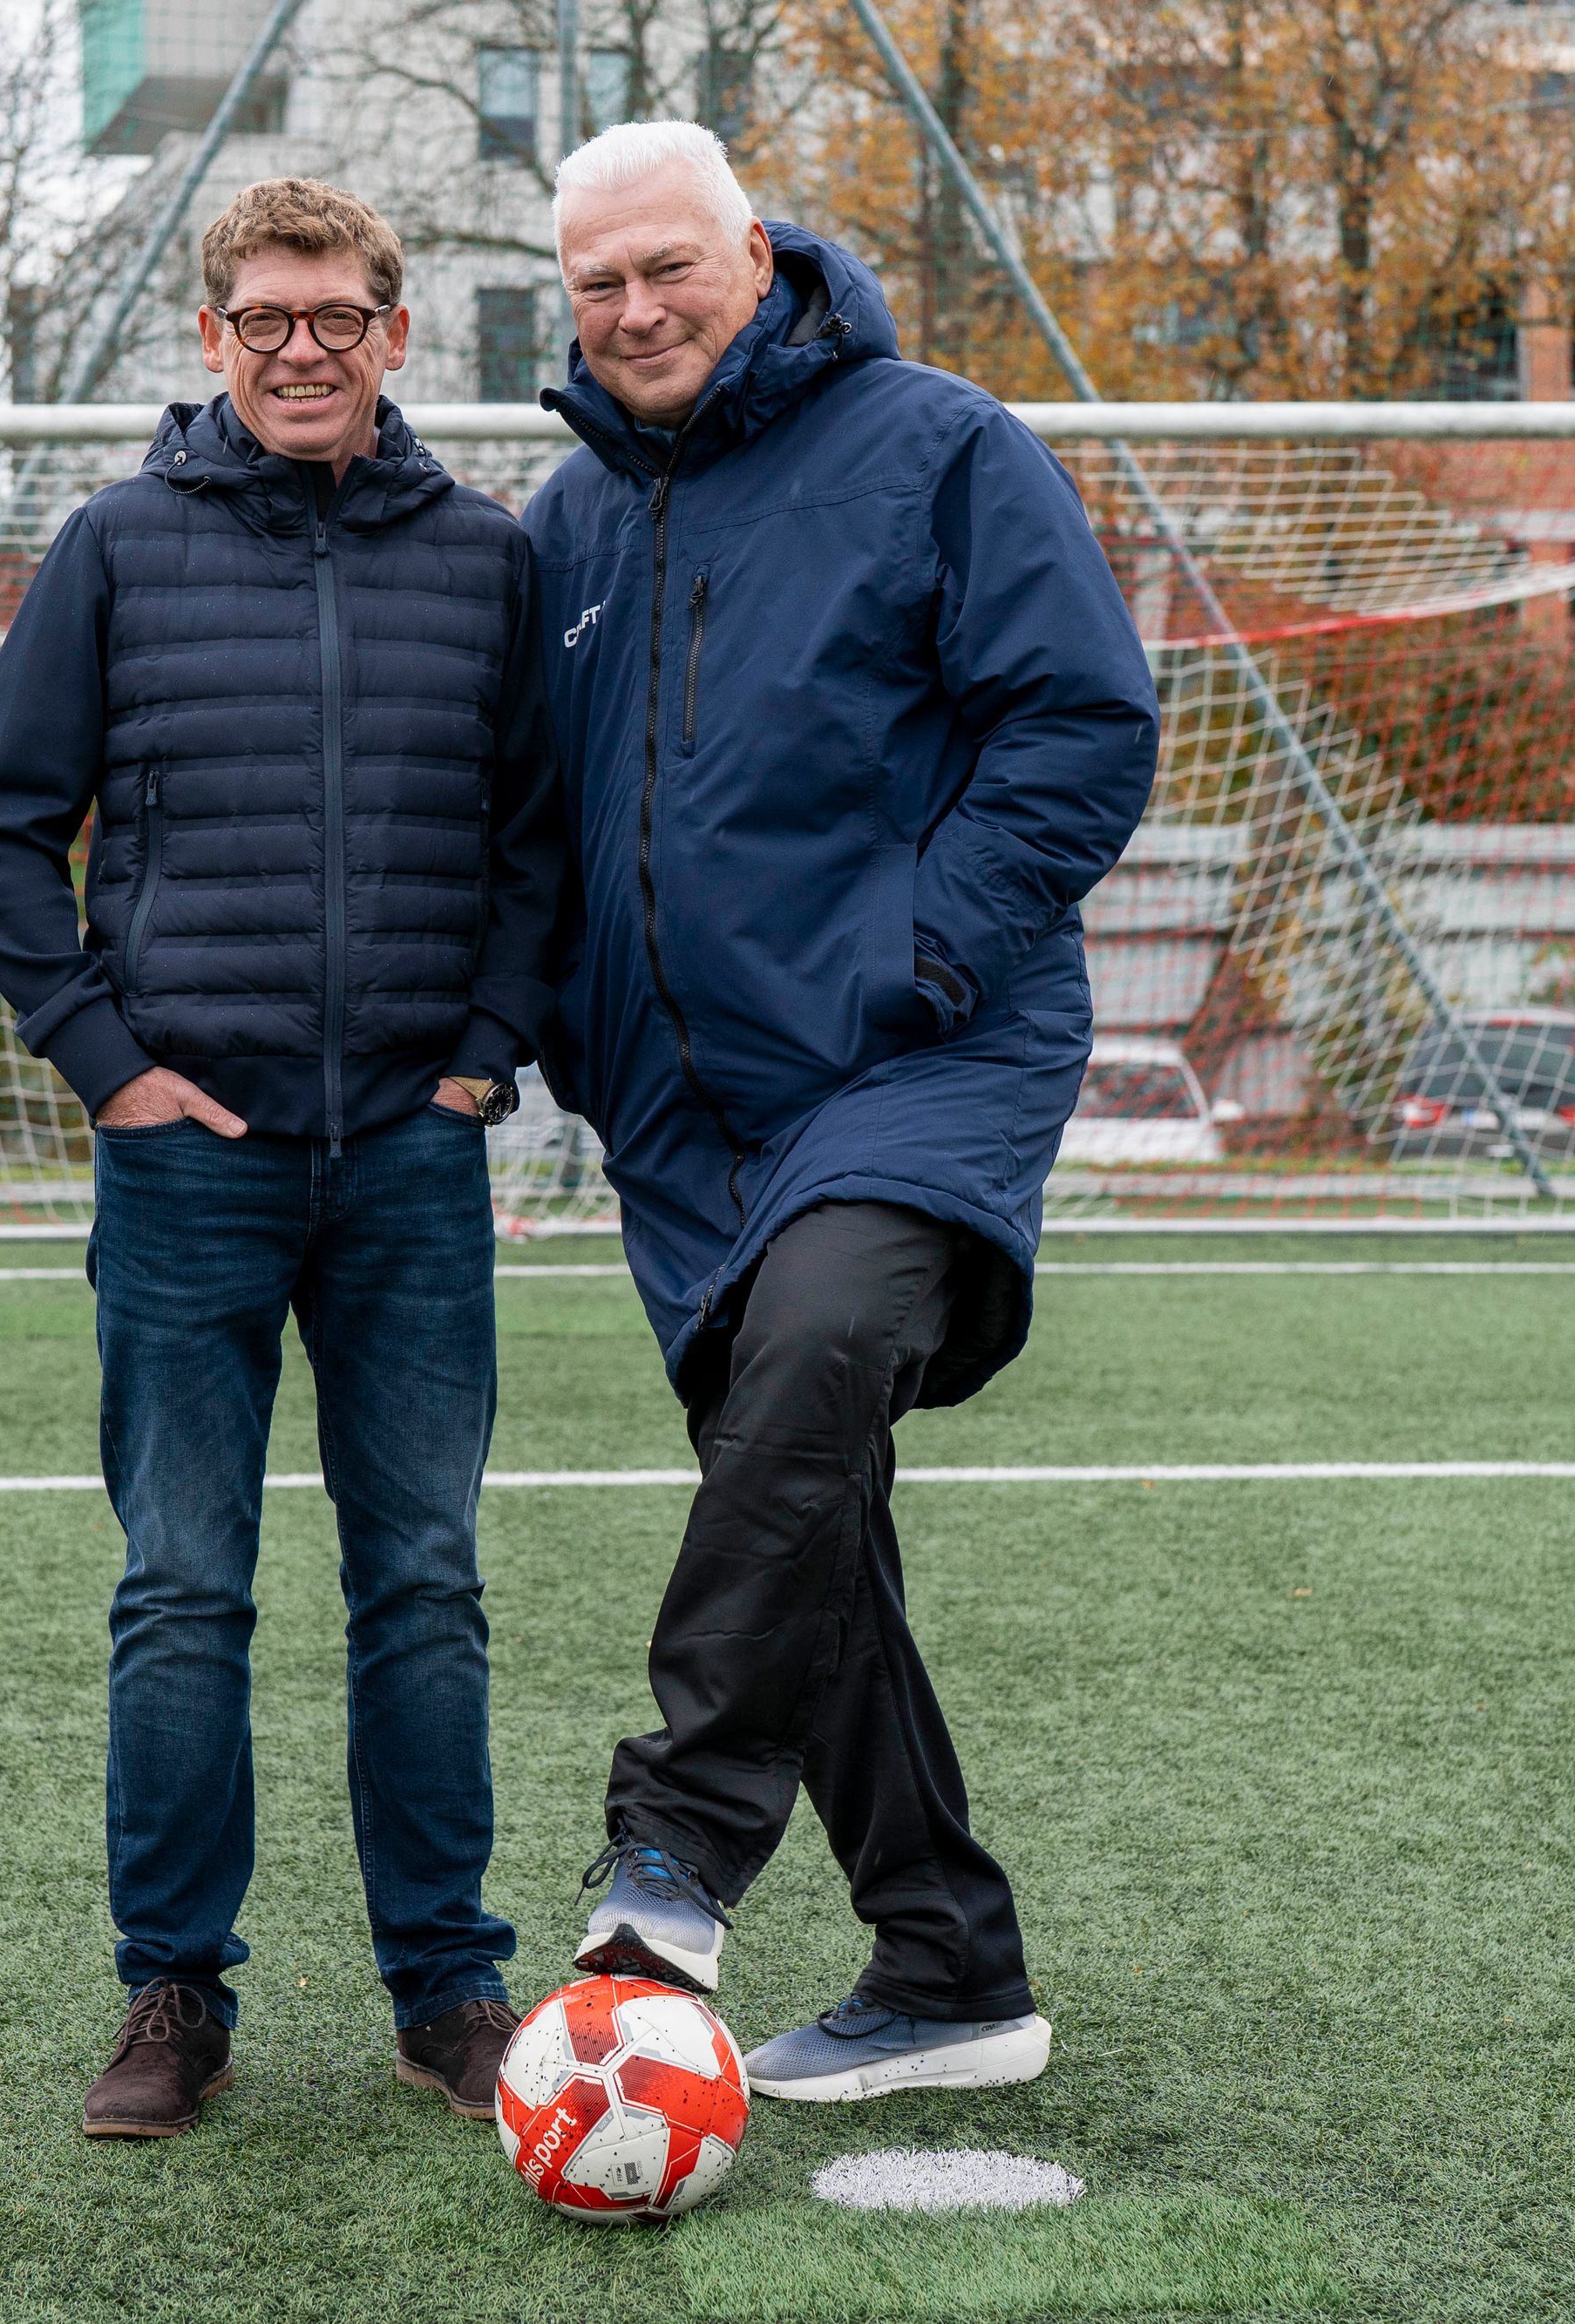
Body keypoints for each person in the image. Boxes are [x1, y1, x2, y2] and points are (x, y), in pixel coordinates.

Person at [525, 123, 1158, 2102]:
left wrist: (918, 950)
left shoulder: (937, 445)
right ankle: (950, 1962)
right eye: (596, 286)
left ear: (756, 250)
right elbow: (534, 827)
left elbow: (1083, 723)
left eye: (667, 270)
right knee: (805, 1509)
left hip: (915, 1059)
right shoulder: (558, 522)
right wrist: (560, 1027)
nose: (635, 312)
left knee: (811, 1361)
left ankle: (674, 1843)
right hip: (681, 1121)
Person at [0, 178, 560, 2139]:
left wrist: (478, 1059)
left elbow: (536, 845)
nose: (304, 345)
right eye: (265, 316)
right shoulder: (113, 549)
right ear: (210, 340)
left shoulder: (486, 559)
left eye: (340, 315)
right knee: (182, 1587)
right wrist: (106, 1063)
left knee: (427, 1583)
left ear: (393, 331)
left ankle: (447, 1986)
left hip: (405, 1154)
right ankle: (172, 1992)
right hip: (185, 1162)